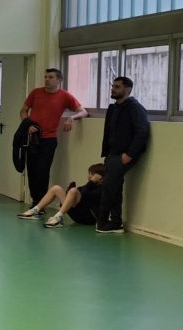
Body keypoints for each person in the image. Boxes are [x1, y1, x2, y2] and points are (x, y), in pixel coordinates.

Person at [19, 68, 88, 212]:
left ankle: (40, 204)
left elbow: (83, 111)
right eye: (45, 77)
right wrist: (27, 124)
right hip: (32, 138)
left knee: (43, 171)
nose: (47, 80)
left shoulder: (65, 96)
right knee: (32, 170)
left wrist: (71, 118)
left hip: (49, 140)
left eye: (50, 77)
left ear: (59, 80)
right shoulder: (36, 93)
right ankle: (35, 201)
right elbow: (23, 110)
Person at [96, 76, 150, 233]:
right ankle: (116, 222)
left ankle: (102, 222)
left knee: (108, 187)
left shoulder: (135, 108)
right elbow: (109, 132)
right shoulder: (113, 108)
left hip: (123, 156)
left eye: (117, 86)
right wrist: (107, 153)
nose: (113, 89)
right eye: (113, 86)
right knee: (114, 187)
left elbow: (142, 131)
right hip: (112, 155)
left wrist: (130, 154)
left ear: (128, 89)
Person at [17, 163, 105, 228]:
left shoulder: (102, 188)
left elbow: (86, 195)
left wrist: (91, 182)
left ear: (100, 177)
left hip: (88, 218)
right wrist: (69, 192)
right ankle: (35, 210)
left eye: (92, 174)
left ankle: (58, 217)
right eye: (89, 174)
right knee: (56, 188)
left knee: (74, 190)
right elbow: (82, 192)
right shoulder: (91, 185)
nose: (89, 176)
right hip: (77, 211)